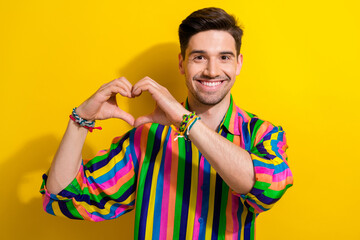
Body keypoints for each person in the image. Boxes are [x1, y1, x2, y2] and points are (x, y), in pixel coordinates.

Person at [40, 7, 293, 240]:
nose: (212, 71)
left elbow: (267, 191)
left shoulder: (262, 133)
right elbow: (63, 196)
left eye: (224, 57)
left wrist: (184, 120)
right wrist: (80, 120)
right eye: (199, 58)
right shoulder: (147, 138)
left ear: (238, 64)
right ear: (182, 63)